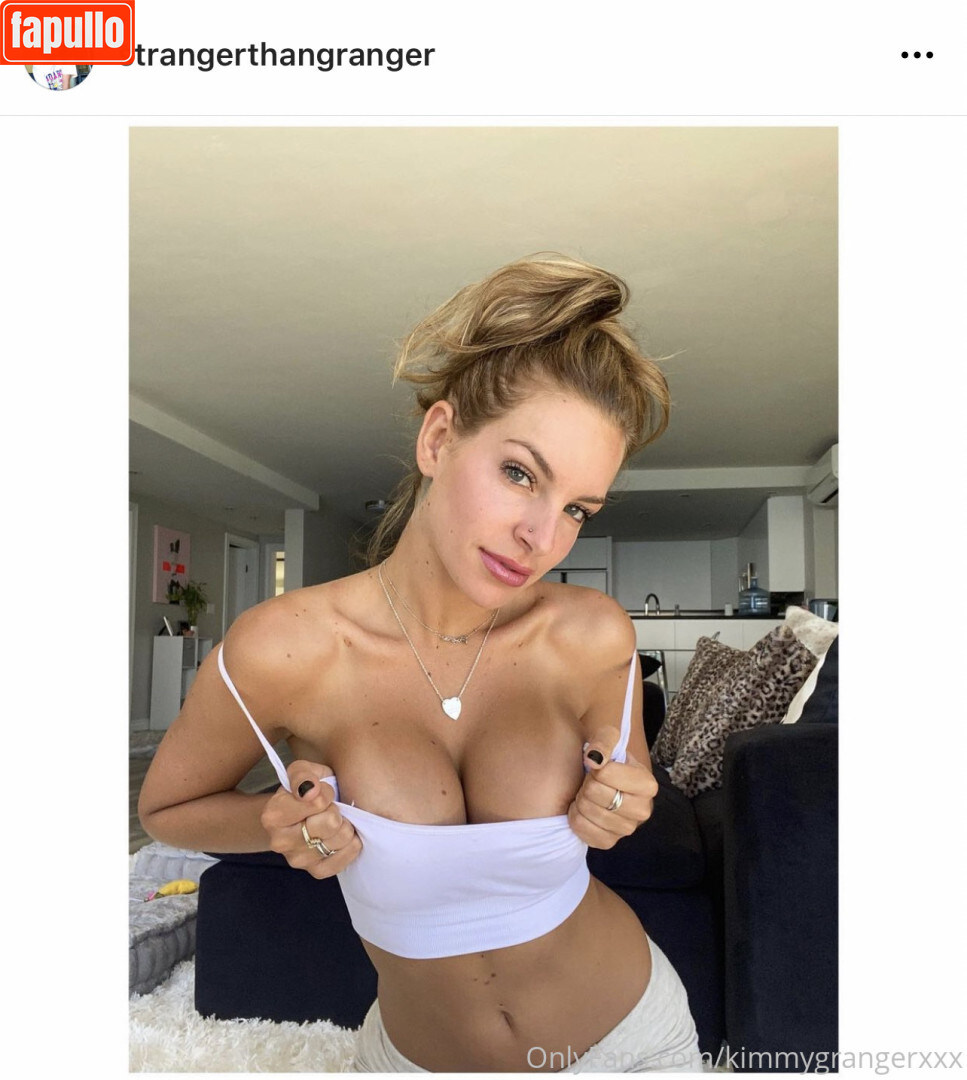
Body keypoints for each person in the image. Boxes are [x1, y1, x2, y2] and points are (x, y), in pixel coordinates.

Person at [138, 254, 702, 1072]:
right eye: (519, 474)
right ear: (438, 439)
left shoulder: (591, 634)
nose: (542, 537)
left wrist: (621, 804)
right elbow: (167, 810)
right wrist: (273, 822)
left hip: (635, 1040)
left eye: (577, 509)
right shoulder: (282, 648)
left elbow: (628, 785)